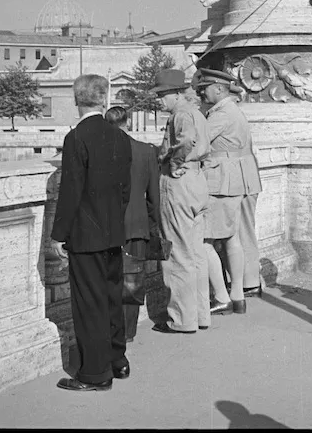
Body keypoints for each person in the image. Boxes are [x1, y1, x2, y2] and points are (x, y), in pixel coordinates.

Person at [50, 74, 132, 392]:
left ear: (75, 100)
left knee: (89, 304)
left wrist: (59, 235)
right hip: (113, 231)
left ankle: (95, 374)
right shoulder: (120, 137)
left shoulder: (76, 138)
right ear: (104, 99)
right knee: (112, 298)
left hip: (86, 235)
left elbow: (71, 191)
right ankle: (118, 361)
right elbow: (124, 190)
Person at [195, 68, 262, 315]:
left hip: (226, 179)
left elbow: (197, 141)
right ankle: (245, 287)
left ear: (221, 89)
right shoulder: (233, 111)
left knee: (220, 236)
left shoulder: (222, 114)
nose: (202, 93)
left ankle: (235, 290)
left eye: (205, 88)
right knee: (238, 234)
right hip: (241, 176)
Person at [150, 69, 211, 333]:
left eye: (163, 95)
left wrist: (174, 161)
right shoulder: (197, 112)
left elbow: (187, 141)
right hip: (197, 181)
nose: (160, 101)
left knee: (177, 254)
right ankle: (200, 315)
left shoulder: (181, 114)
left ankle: (182, 320)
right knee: (195, 253)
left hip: (179, 184)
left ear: (175, 93)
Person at [105, 105, 160, 343]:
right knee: (132, 280)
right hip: (137, 225)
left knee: (107, 279)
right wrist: (154, 223)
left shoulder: (101, 151)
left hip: (106, 226)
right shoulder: (145, 151)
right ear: (127, 123)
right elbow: (154, 196)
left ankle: (110, 329)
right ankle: (128, 332)